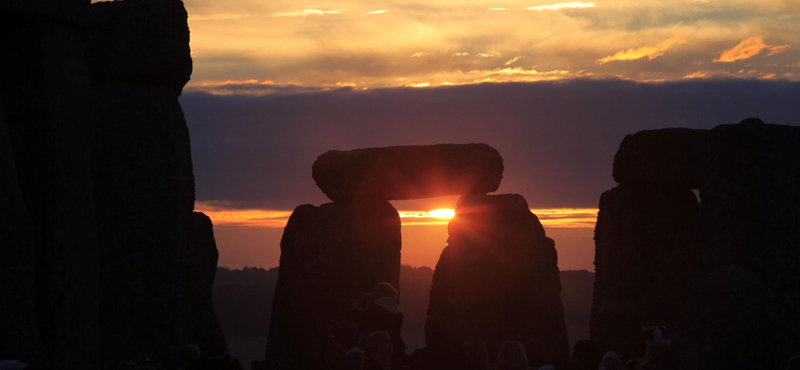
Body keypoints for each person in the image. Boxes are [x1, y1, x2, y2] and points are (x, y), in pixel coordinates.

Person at [358, 283, 407, 369]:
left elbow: (362, 327)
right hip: (397, 348)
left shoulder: (373, 311)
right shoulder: (398, 314)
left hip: (377, 350)